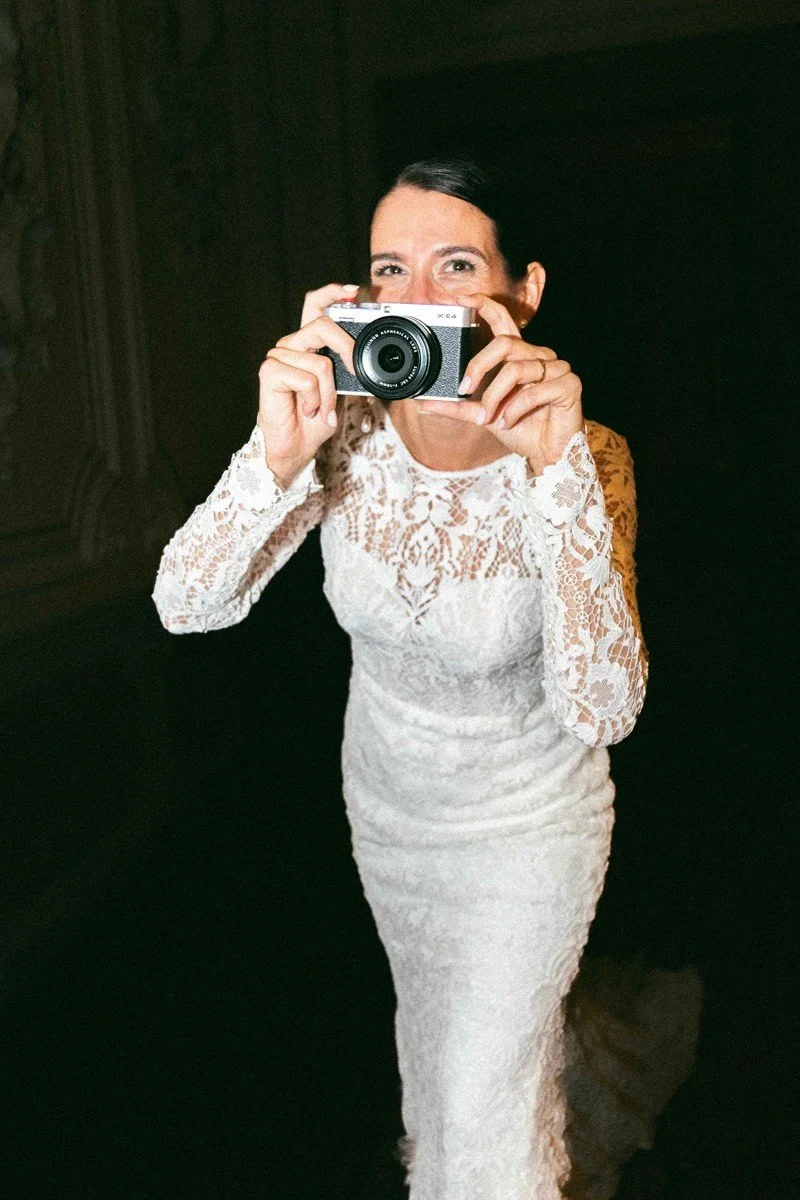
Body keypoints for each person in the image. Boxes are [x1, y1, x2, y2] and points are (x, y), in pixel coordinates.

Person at [152, 157, 649, 1199]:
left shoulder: (585, 453)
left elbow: (602, 708)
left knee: (481, 1118)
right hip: (387, 813)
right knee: (439, 1077)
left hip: (527, 829)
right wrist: (275, 451)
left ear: (525, 294)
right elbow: (184, 603)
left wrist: (552, 473)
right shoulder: (347, 434)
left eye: (455, 265)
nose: (416, 301)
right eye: (389, 270)